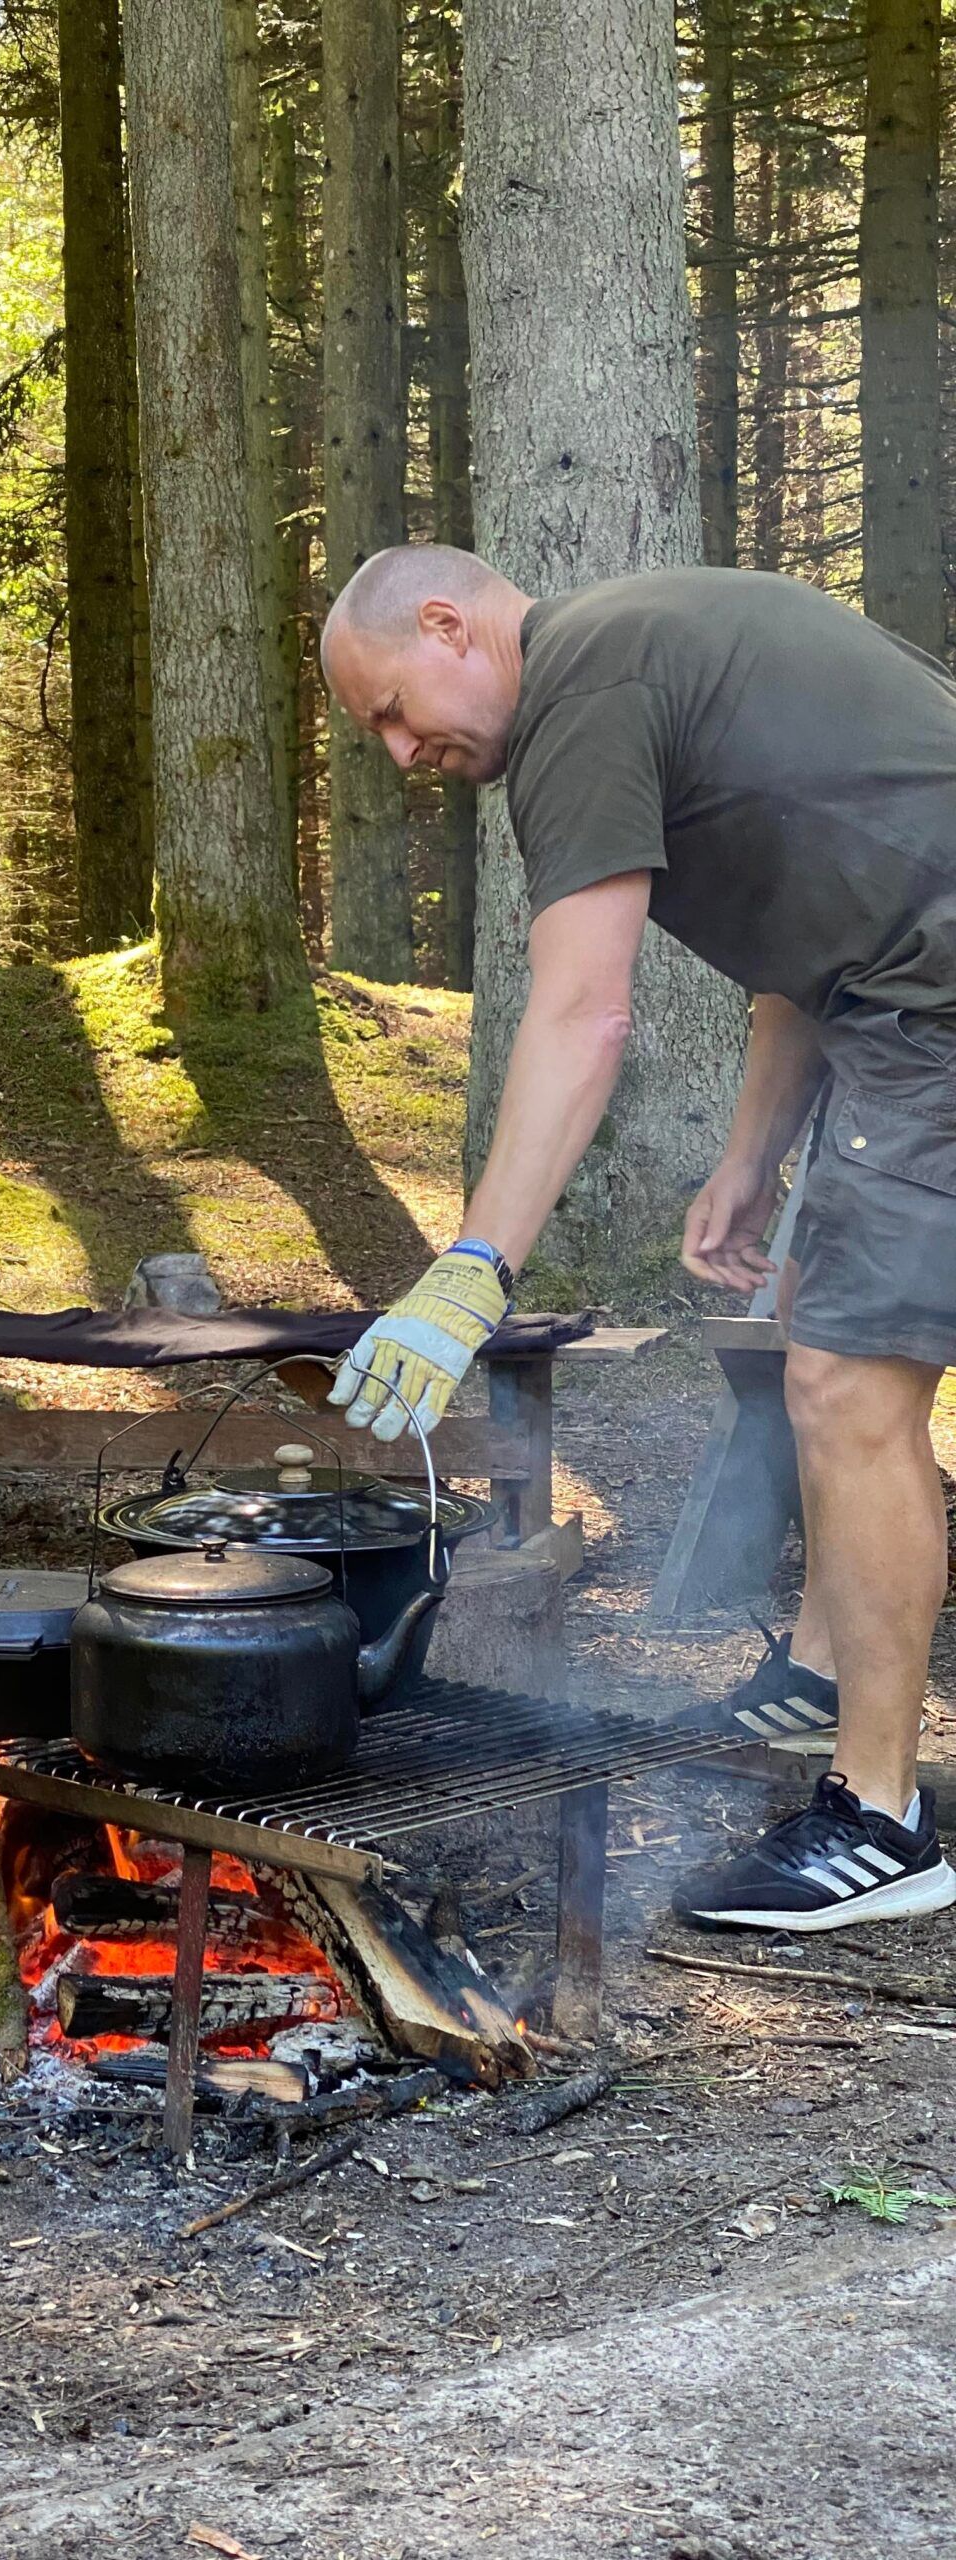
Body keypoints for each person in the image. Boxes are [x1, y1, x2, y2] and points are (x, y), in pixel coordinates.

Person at [321, 539, 956, 1936]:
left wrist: (469, 1272)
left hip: (939, 995)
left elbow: (583, 1013)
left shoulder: (580, 687)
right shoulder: (648, 646)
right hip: (901, 988)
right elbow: (817, 916)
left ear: (449, 623)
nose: (398, 750)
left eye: (390, 709)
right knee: (825, 1334)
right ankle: (822, 1669)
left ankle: (881, 1821)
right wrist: (749, 1159)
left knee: (851, 1381)